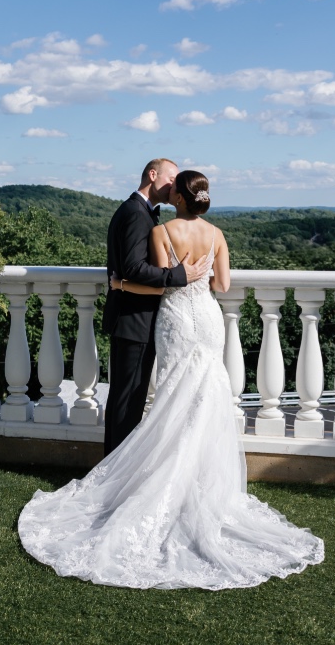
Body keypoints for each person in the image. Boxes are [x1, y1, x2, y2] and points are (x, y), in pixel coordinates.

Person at [18, 171, 324, 590]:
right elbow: (223, 284)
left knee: (173, 396)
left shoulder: (163, 231)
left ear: (178, 198)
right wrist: (200, 275)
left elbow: (162, 286)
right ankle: (200, 482)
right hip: (209, 319)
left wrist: (123, 283)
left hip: (178, 320)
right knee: (204, 397)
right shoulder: (217, 234)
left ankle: (162, 478)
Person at [101, 158, 210, 456]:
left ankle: (111, 468)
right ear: (153, 174)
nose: (174, 185)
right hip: (134, 318)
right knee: (127, 401)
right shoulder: (136, 213)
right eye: (170, 178)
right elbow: (133, 269)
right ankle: (112, 472)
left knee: (127, 398)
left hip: (133, 317)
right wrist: (180, 276)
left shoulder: (139, 211)